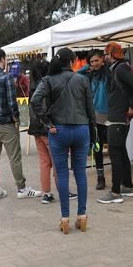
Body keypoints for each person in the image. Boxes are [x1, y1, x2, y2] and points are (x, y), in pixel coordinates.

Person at [31, 48, 95, 234]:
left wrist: (47, 122)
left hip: (58, 130)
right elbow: (90, 108)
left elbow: (35, 101)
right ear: (73, 61)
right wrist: (92, 131)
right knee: (80, 173)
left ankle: (65, 218)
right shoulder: (82, 79)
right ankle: (82, 216)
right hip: (81, 129)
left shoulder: (48, 80)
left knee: (62, 173)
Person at [0, 48, 41, 199]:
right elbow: (12, 102)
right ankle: (22, 188)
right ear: (2, 59)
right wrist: (17, 119)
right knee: (14, 157)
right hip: (5, 122)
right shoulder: (6, 78)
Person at [97, 42, 133, 204]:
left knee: (115, 152)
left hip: (118, 116)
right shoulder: (118, 68)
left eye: (106, 54)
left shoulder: (120, 68)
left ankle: (115, 192)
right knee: (121, 151)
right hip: (118, 115)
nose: (105, 58)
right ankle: (128, 186)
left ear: (111, 55)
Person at [78, 49, 110, 190]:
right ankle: (100, 177)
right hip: (94, 118)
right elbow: (76, 74)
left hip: (109, 116)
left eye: (96, 60)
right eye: (91, 61)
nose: (94, 63)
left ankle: (119, 177)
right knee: (97, 148)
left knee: (114, 149)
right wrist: (87, 67)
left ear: (103, 59)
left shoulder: (108, 73)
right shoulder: (89, 75)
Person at [27, 59, 56, 203]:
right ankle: (62, 190)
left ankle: (47, 193)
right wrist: (49, 124)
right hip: (47, 128)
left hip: (35, 128)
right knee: (57, 161)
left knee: (44, 162)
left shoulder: (32, 86)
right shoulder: (46, 85)